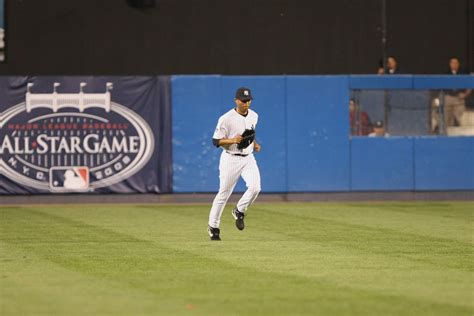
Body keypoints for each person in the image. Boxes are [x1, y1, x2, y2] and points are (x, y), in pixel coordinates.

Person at [207, 87, 261, 241]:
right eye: (243, 100)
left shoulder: (254, 116)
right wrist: (232, 140)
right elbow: (216, 141)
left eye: (249, 100)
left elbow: (248, 135)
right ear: (236, 100)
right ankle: (213, 227)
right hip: (230, 159)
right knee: (224, 193)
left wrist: (254, 144)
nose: (246, 103)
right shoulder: (226, 118)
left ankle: (239, 211)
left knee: (255, 188)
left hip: (248, 157)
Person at [443, 57, 471, 127]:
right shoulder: (445, 74)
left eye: (455, 63)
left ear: (458, 64)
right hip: (448, 98)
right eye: (452, 63)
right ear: (450, 64)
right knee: (447, 119)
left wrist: (466, 94)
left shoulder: (463, 73)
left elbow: (470, 84)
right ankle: (447, 136)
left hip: (459, 98)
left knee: (462, 119)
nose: (454, 64)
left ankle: (464, 135)